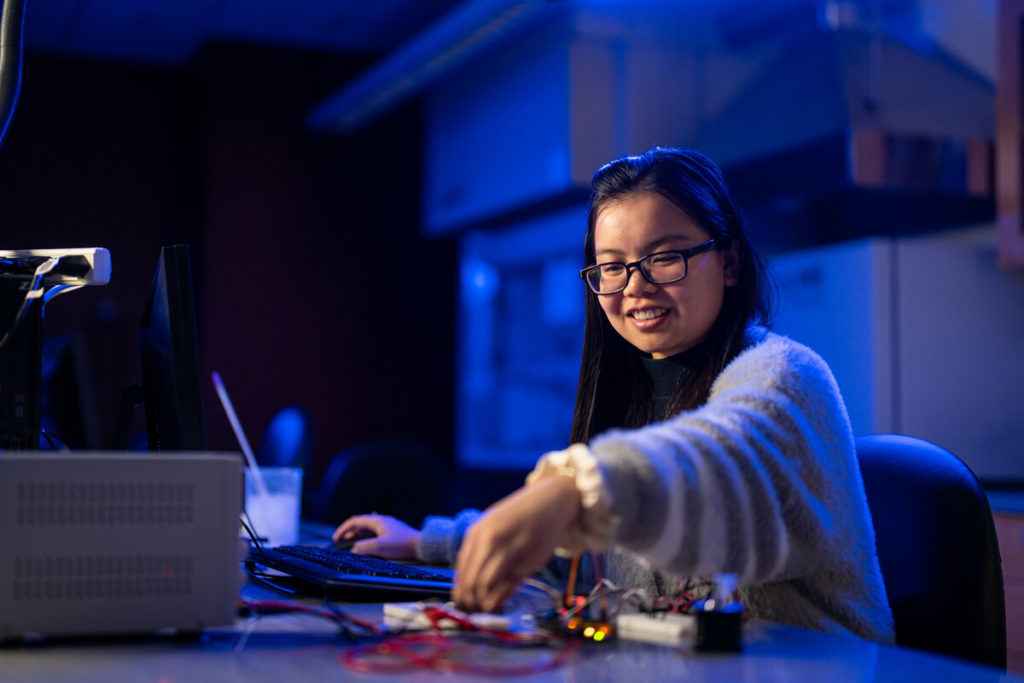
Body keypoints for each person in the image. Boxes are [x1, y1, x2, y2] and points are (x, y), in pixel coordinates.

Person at [334, 147, 895, 643]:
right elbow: (574, 562)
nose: (635, 285)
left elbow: (717, 463)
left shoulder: (783, 375)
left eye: (666, 257)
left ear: (728, 263)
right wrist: (430, 544)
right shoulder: (629, 407)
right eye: (612, 267)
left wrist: (575, 491)